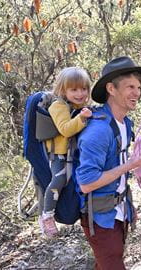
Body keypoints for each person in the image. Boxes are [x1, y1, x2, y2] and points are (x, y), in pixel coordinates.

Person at [75, 56, 141, 270]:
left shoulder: (124, 123)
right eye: (130, 86)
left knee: (107, 264)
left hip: (118, 211)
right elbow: (86, 183)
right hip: (100, 217)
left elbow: (116, 168)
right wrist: (132, 164)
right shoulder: (98, 131)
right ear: (111, 88)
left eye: (138, 87)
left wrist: (127, 204)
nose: (137, 92)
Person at [39, 67, 92, 237]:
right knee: (59, 179)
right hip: (59, 155)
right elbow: (66, 129)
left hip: (73, 154)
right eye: (74, 89)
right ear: (63, 89)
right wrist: (82, 118)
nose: (80, 93)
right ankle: (47, 215)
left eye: (84, 89)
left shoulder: (77, 105)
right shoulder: (58, 106)